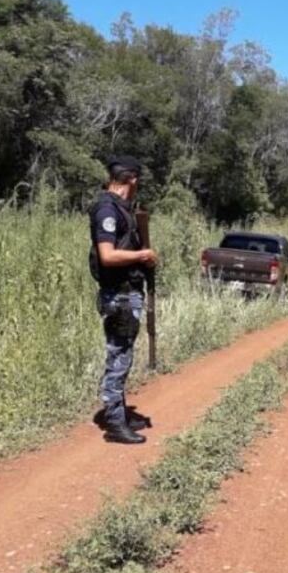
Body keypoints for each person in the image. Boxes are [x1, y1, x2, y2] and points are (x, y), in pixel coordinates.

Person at [89, 155, 158, 444]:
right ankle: (115, 424)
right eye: (137, 181)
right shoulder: (107, 208)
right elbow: (107, 255)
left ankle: (118, 413)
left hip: (127, 291)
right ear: (132, 180)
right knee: (119, 357)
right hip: (119, 294)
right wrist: (143, 255)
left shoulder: (122, 209)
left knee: (123, 355)